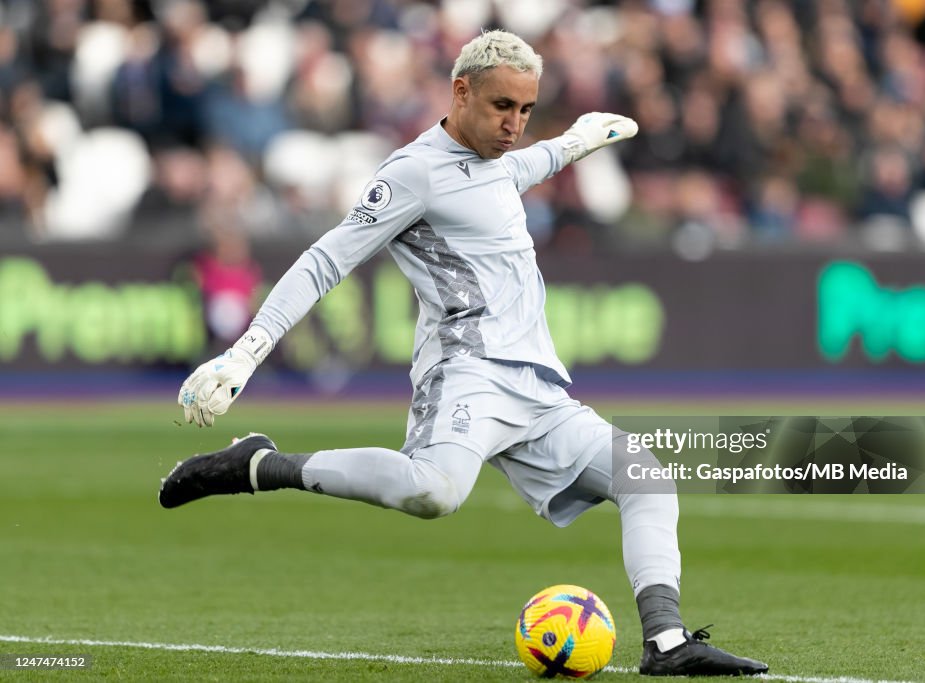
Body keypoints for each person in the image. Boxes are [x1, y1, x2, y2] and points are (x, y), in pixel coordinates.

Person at [160, 30, 768, 678]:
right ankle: (262, 463)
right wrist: (246, 353)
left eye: (527, 109)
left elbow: (523, 167)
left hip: (536, 387)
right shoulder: (413, 172)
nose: (514, 123)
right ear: (461, 90)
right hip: (466, 372)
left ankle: (667, 643)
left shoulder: (497, 159)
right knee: (434, 493)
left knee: (645, 476)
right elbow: (324, 261)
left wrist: (577, 140)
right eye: (503, 105)